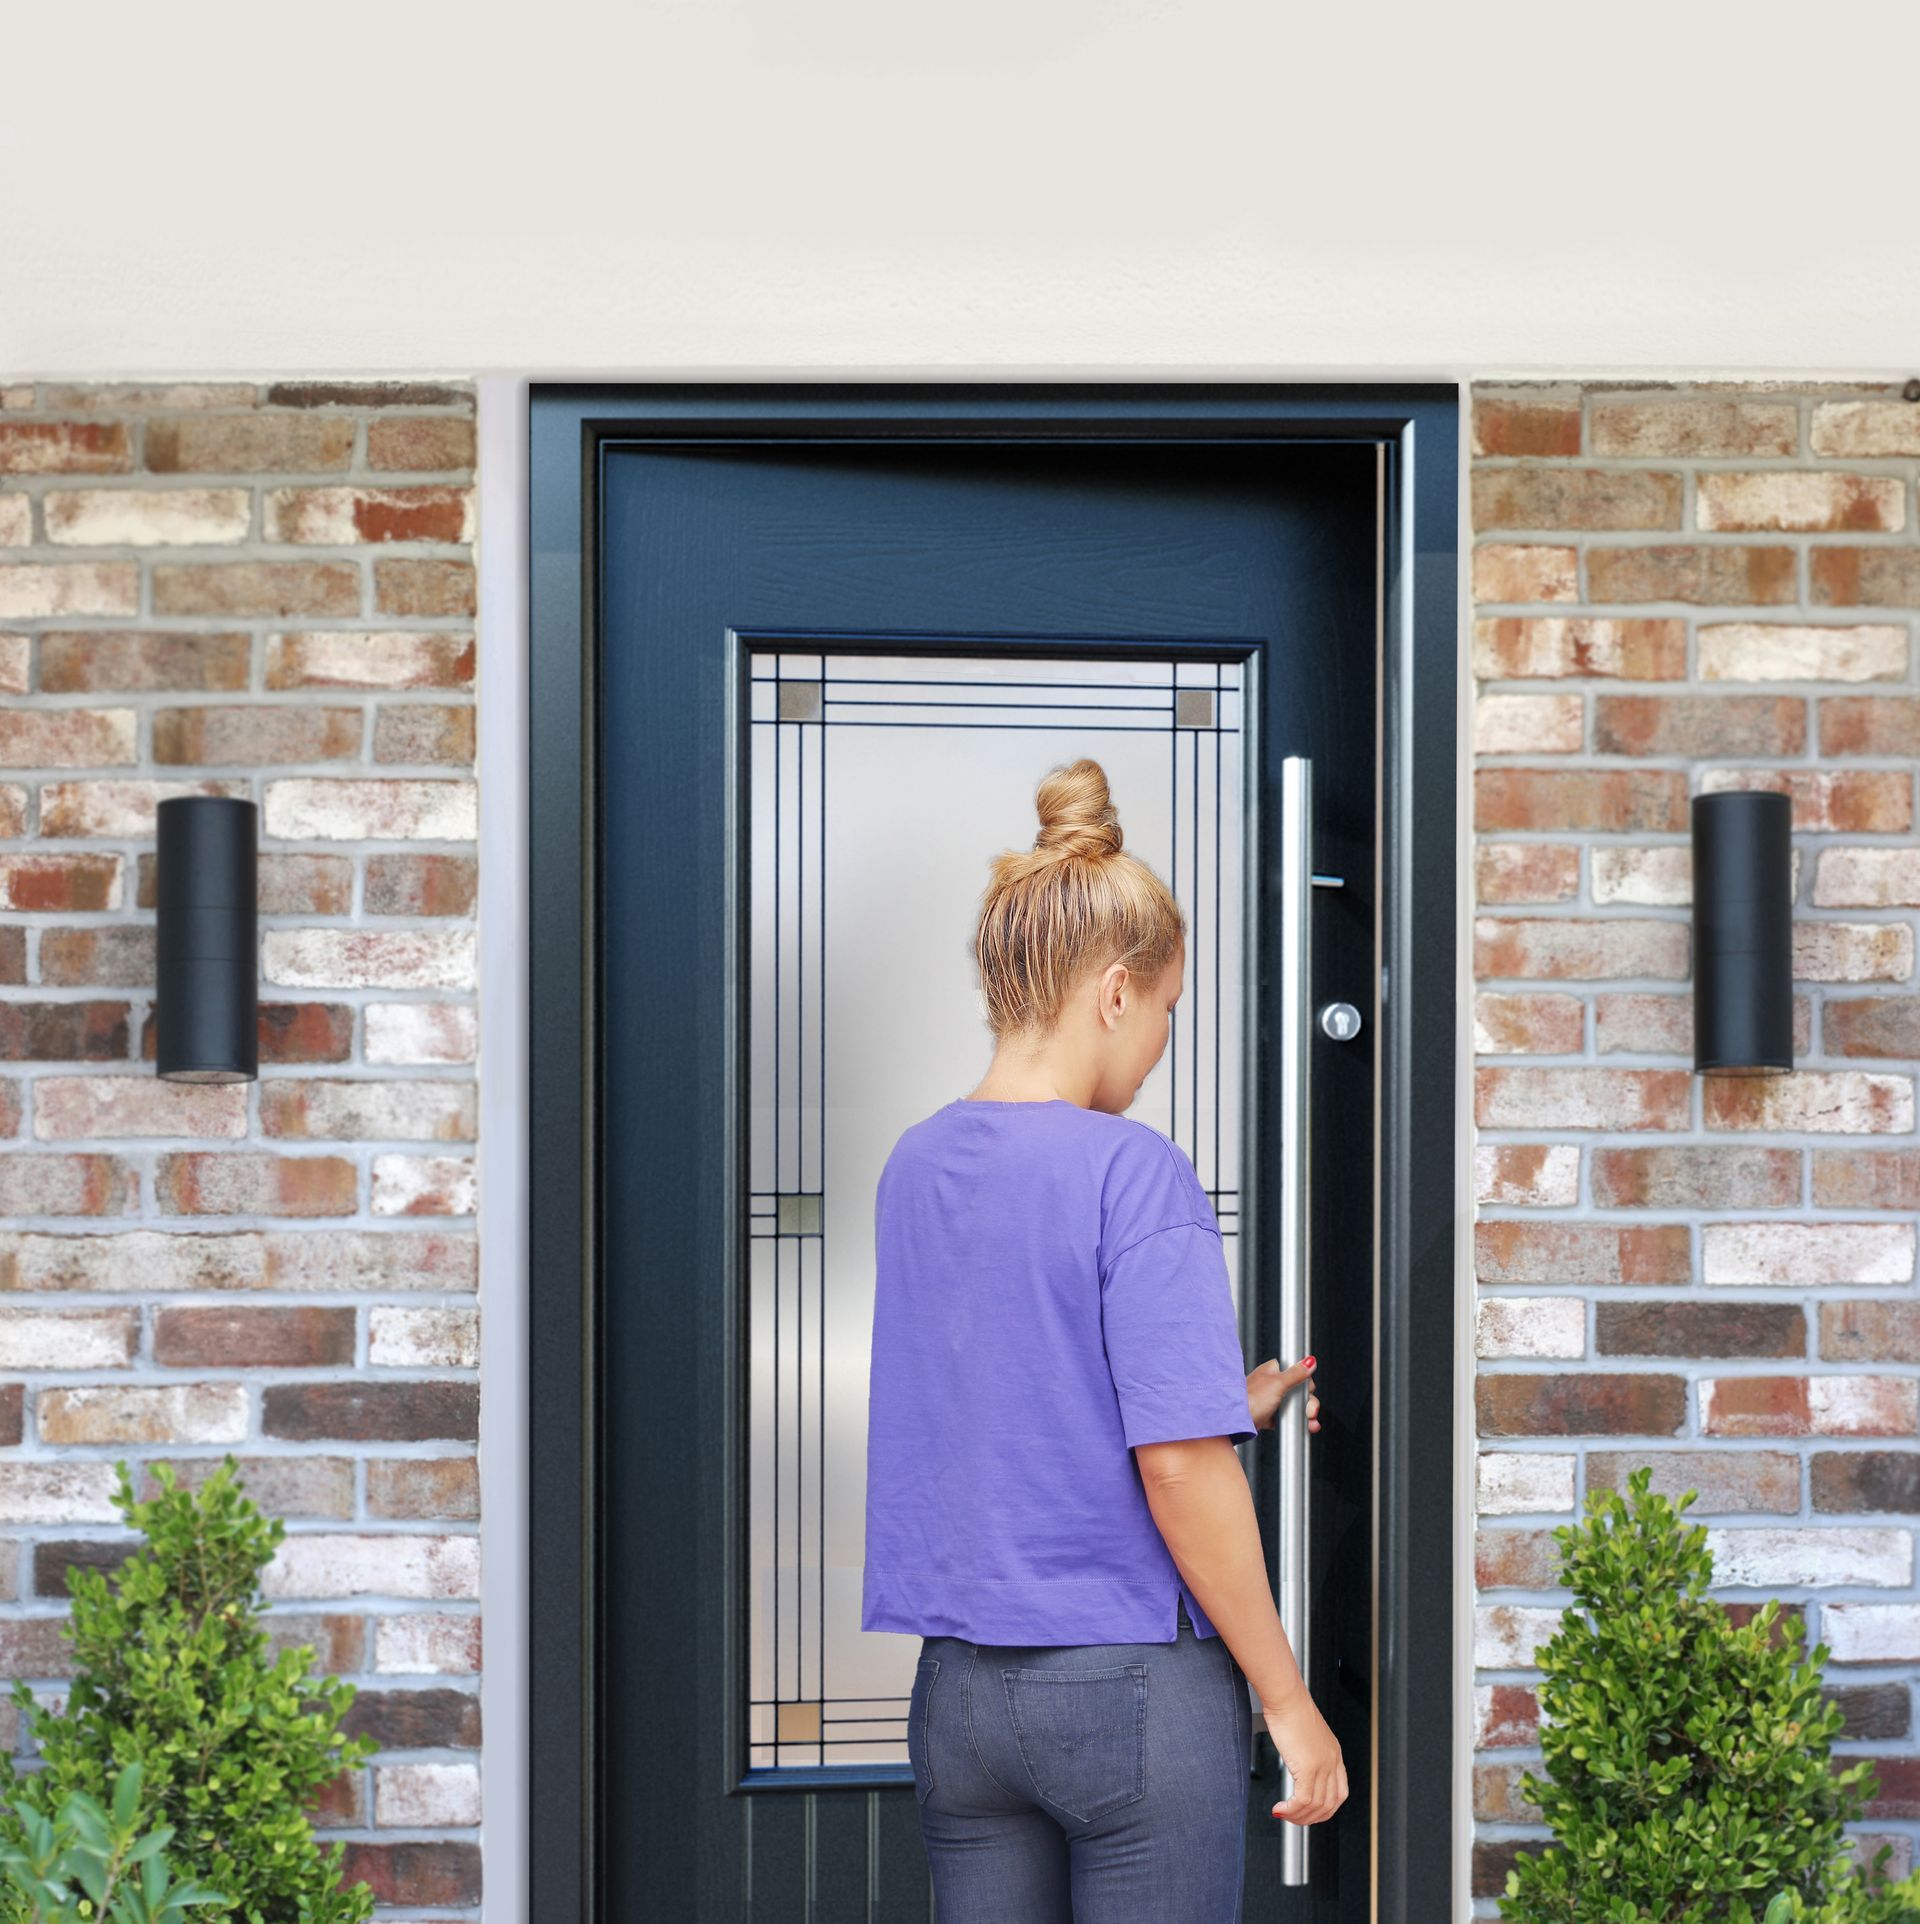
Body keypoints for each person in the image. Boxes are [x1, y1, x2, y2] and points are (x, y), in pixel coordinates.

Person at [861, 755, 1346, 1924]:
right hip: (1128, 1691)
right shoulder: (1136, 1170)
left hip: (960, 1695)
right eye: (1170, 1008)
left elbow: (1010, 1384)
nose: (1164, 1038)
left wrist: (1231, 1397)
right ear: (1116, 991)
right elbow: (1178, 1465)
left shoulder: (915, 1165)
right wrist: (1288, 1700)